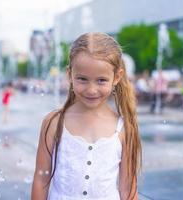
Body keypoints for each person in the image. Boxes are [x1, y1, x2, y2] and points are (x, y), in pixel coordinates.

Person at [31, 32, 142, 200]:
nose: (91, 89)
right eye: (82, 79)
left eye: (101, 80)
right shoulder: (54, 123)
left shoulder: (124, 128)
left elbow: (127, 189)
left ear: (117, 77)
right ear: (70, 75)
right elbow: (41, 178)